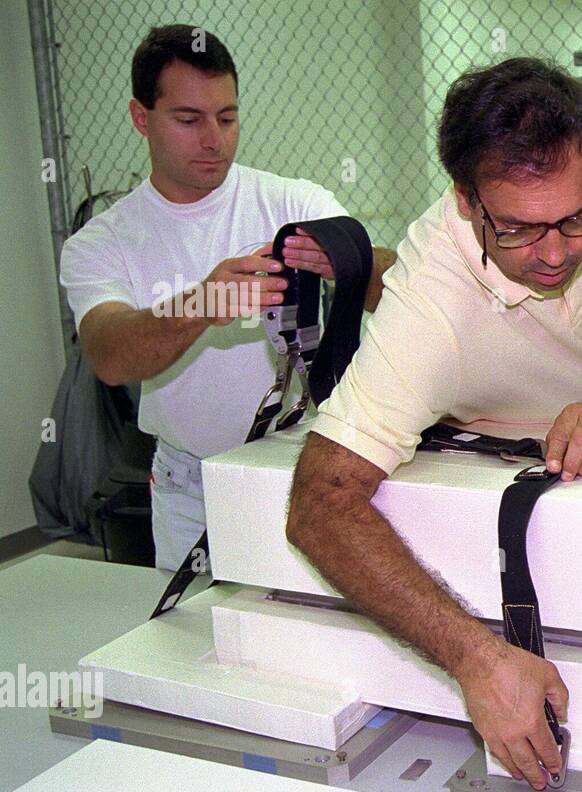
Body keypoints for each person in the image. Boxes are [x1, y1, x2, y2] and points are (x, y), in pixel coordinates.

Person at [286, 58, 582, 791]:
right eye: (522, 229)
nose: (557, 252)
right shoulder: (430, 299)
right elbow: (319, 500)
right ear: (468, 202)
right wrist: (476, 659)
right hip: (504, 509)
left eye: (577, 217)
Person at [59, 24, 397, 571]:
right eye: (189, 120)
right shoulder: (102, 242)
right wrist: (200, 306)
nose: (214, 139)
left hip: (300, 470)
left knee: (307, 638)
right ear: (141, 118)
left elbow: (402, 287)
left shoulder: (292, 199)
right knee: (194, 645)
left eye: (227, 117)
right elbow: (109, 354)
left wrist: (352, 260)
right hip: (189, 489)